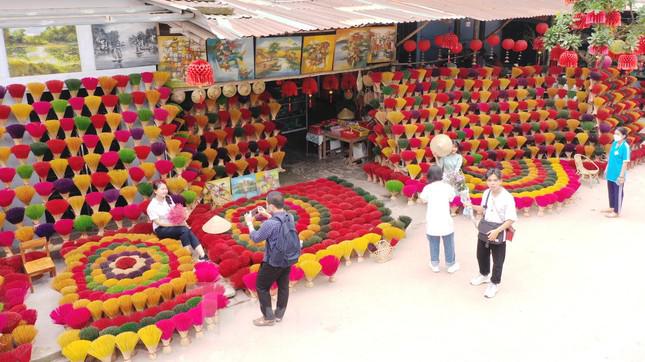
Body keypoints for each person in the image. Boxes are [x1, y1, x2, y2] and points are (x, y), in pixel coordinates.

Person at [245, 191, 301, 327]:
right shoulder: (290, 217)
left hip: (273, 261)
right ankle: (279, 314)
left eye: (266, 203)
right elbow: (279, 222)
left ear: (270, 206)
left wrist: (249, 224)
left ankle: (268, 317)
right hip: (287, 259)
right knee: (283, 286)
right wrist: (267, 215)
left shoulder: (270, 224)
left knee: (261, 286)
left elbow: (256, 238)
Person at [469, 168, 517, 299]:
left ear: (501, 181)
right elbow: (483, 210)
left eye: (495, 180)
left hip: (498, 230)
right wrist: (470, 205)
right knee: (481, 255)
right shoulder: (486, 193)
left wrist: (497, 231)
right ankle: (484, 275)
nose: (492, 183)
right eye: (489, 180)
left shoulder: (507, 197)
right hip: (485, 229)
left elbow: (511, 218)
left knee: (498, 260)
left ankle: (494, 283)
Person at [146, 180, 207, 260]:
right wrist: (178, 225)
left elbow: (177, 214)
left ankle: (201, 255)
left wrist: (184, 223)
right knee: (183, 230)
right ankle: (190, 255)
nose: (165, 191)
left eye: (166, 189)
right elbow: (159, 223)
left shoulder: (168, 198)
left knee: (186, 230)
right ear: (155, 191)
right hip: (161, 229)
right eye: (162, 189)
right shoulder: (152, 206)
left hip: (174, 226)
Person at [419, 165, 459, 273]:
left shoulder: (427, 188)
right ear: (441, 175)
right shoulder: (447, 187)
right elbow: (452, 198)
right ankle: (450, 265)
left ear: (429, 175)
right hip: (445, 220)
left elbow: (423, 200)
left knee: (433, 243)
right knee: (448, 242)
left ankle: (435, 264)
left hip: (432, 220)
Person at [437, 141, 473, 218]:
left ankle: (457, 208)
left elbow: (457, 168)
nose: (454, 149)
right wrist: (436, 157)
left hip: (456, 176)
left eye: (455, 147)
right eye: (452, 147)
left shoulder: (459, 157)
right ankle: (446, 209)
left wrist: (452, 177)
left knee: (460, 191)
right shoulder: (444, 157)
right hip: (446, 176)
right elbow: (440, 167)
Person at [603, 127, 630, 218]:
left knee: (618, 192)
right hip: (610, 172)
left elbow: (625, 162)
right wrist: (606, 169)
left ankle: (616, 211)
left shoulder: (625, 147)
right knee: (611, 191)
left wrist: (621, 176)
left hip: (618, 174)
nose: (615, 135)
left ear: (624, 136)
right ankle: (612, 207)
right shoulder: (614, 143)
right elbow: (610, 158)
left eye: (618, 134)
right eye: (615, 133)